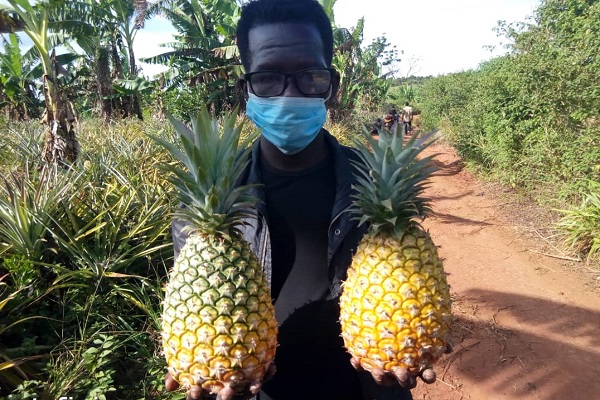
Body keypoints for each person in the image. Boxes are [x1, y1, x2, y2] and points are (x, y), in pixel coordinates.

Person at [165, 1, 444, 399]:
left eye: (309, 76)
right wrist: (201, 361)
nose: (289, 93)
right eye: (268, 77)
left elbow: (410, 291)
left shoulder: (374, 182)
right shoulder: (214, 197)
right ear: (247, 88)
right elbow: (196, 304)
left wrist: (415, 336)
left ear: (332, 84)